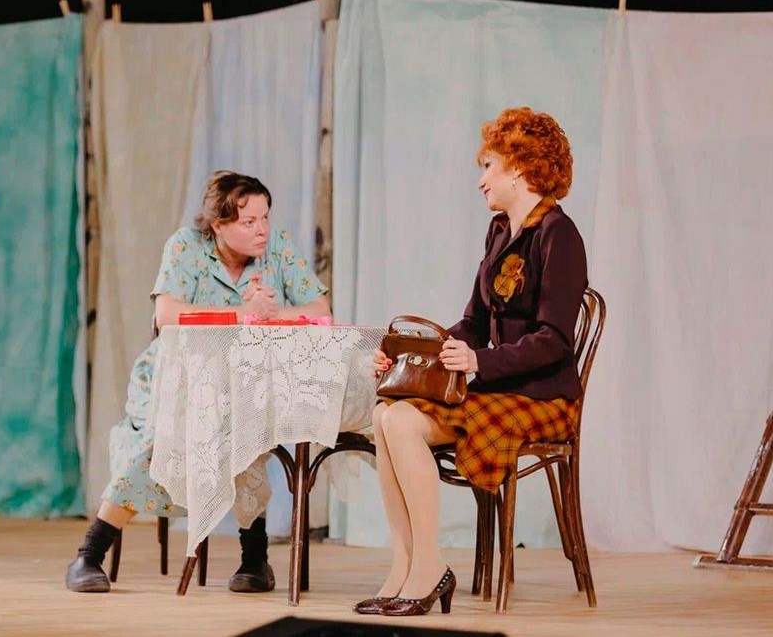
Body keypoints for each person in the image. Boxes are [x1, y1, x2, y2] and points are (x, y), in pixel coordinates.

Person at [356, 107, 588, 617]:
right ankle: (405, 564)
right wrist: (410, 357)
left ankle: (429, 567)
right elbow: (473, 323)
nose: (481, 180)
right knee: (385, 413)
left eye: (489, 166)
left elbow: (554, 341)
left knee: (402, 423)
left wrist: (479, 363)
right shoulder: (500, 231)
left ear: (519, 169)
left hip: (542, 396)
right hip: (499, 387)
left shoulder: (559, 235)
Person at [66, 170, 331, 593]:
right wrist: (243, 316)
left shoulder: (278, 248)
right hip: (177, 378)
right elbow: (167, 314)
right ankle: (89, 553)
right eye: (249, 222)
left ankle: (255, 558)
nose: (262, 229)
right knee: (160, 440)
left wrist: (271, 314)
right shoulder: (186, 247)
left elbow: (320, 311)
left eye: (265, 217)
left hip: (245, 381)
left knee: (248, 435)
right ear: (218, 225)